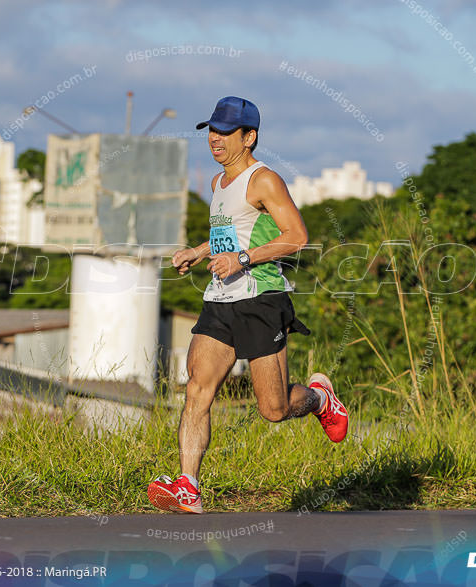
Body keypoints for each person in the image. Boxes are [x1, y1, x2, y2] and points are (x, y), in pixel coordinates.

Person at [147, 96, 349, 514]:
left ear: (249, 136)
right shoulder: (219, 183)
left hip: (261, 297)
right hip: (221, 300)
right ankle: (189, 485)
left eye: (226, 132)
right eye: (212, 131)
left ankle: (318, 398)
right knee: (197, 390)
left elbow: (297, 236)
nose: (215, 140)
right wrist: (201, 251)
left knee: (273, 410)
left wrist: (241, 260)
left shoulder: (264, 179)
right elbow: (235, 233)